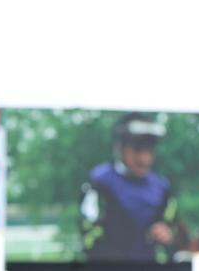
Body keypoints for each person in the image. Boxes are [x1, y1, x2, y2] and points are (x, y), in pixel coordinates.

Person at [80, 112, 187, 262]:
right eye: (137, 150)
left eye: (149, 150)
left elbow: (176, 236)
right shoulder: (100, 182)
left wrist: (167, 236)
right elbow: (89, 237)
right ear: (119, 148)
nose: (144, 159)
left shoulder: (162, 187)